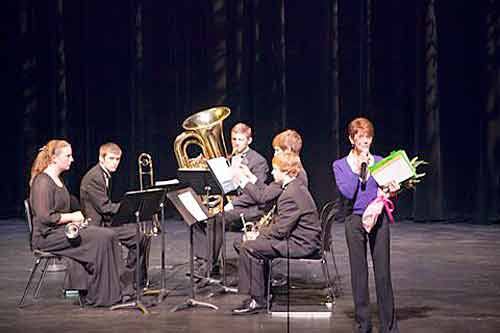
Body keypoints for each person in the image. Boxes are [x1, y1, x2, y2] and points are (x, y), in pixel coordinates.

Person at [29, 139, 125, 307]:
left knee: (108, 234)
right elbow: (45, 217)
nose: (72, 159)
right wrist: (72, 217)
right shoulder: (43, 181)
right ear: (54, 158)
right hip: (47, 237)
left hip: (61, 231)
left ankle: (113, 291)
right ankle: (101, 296)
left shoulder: (57, 180)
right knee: (102, 237)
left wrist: (79, 221)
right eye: (68, 155)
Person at [232, 151, 321, 315]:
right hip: (299, 239)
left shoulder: (291, 195)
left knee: (248, 247)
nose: (272, 173)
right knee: (244, 244)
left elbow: (280, 230)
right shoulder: (295, 187)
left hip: (300, 245)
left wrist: (258, 235)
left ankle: (257, 300)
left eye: (275, 169)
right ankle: (262, 291)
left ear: (286, 172)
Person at [332, 117, 400, 333]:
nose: (366, 142)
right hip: (354, 221)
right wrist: (361, 169)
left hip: (378, 220)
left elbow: (389, 193)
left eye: (368, 137)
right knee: (359, 273)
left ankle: (388, 326)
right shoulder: (340, 165)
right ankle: (364, 323)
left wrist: (393, 189)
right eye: (361, 137)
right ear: (351, 138)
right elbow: (348, 192)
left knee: (383, 273)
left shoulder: (379, 160)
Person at [193, 123, 268, 275]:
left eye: (240, 139)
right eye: (234, 139)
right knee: (197, 217)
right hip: (232, 204)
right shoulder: (229, 158)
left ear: (249, 140)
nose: (236, 143)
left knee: (217, 219)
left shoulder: (258, 161)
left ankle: (209, 266)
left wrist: (233, 204)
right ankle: (203, 258)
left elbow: (258, 193)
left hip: (250, 208)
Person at [80, 142, 147, 288]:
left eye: (117, 159)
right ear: (101, 158)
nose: (115, 163)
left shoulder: (104, 174)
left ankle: (134, 278)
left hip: (105, 222)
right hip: (96, 226)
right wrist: (128, 207)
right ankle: (129, 280)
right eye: (111, 158)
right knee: (138, 236)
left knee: (140, 234)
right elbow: (104, 207)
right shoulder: (95, 177)